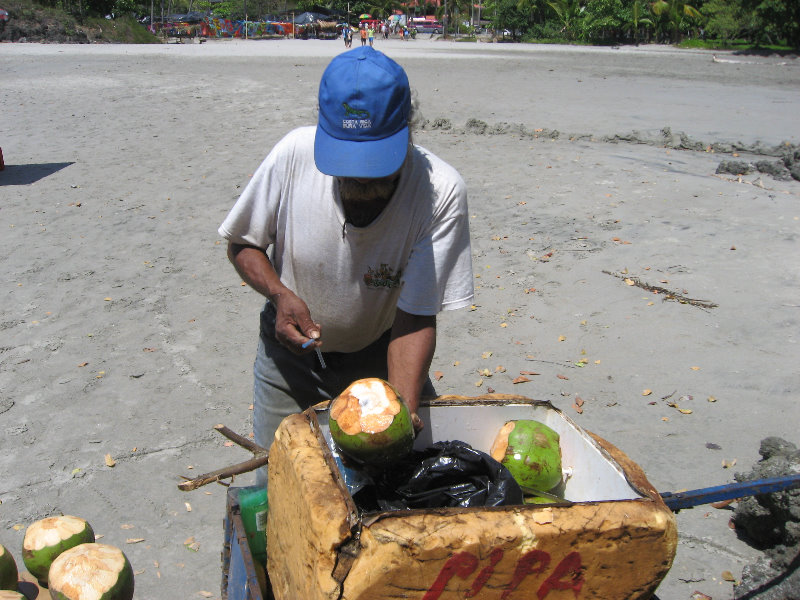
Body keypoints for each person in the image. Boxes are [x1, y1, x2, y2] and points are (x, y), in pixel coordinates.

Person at [218, 47, 473, 483]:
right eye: (349, 171)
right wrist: (279, 294)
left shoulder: (440, 192)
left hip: (380, 354)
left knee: (397, 479)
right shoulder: (292, 156)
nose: (362, 184)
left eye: (376, 170)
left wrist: (400, 413)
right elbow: (243, 243)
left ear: (407, 132)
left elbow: (414, 316)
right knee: (282, 486)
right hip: (290, 363)